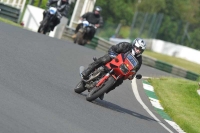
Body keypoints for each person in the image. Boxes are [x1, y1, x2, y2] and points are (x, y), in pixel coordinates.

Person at [81, 38, 146, 100]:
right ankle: (87, 71)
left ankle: (103, 90)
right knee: (105, 59)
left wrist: (132, 75)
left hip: (122, 70)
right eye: (137, 48)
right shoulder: (126, 45)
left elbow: (135, 70)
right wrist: (113, 55)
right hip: (115, 60)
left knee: (120, 81)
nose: (138, 51)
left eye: (140, 50)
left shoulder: (139, 60)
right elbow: (113, 49)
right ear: (133, 45)